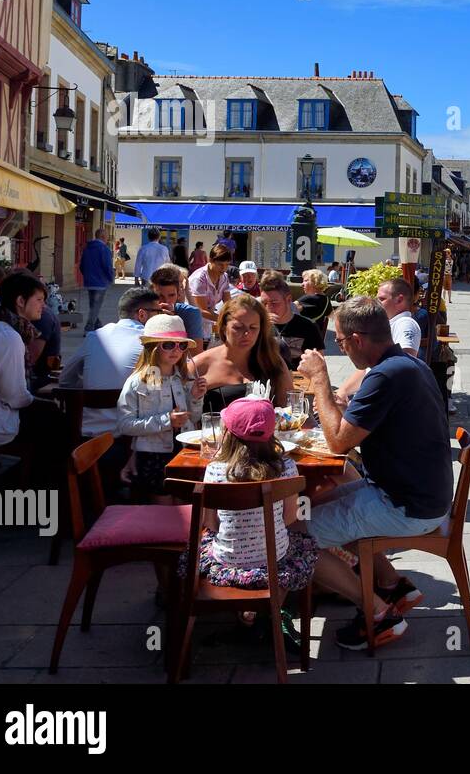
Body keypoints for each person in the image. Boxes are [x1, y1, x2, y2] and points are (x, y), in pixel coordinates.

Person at [296, 297, 453, 649]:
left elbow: (338, 443)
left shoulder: (386, 374)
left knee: (294, 538)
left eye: (340, 340)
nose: (340, 347)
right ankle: (394, 584)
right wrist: (344, 408)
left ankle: (380, 615)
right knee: (318, 507)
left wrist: (320, 380)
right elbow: (361, 427)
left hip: (406, 505)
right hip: (420, 495)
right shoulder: (404, 364)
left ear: (357, 339)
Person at [186, 397, 317, 617]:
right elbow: (290, 516)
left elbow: (209, 524)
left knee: (202, 544)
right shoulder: (286, 467)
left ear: (227, 433)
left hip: (227, 561)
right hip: (274, 560)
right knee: (301, 541)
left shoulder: (215, 470)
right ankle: (260, 611)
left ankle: (244, 611)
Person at [0, 271, 63, 471]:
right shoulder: (7, 336)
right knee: (59, 421)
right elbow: (15, 396)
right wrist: (47, 405)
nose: (44, 305)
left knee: (52, 414)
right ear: (20, 301)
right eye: (39, 299)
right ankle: (38, 488)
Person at [117, 314, 206, 503]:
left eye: (181, 345)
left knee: (185, 504)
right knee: (165, 508)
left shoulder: (181, 378)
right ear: (152, 347)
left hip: (183, 451)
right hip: (153, 455)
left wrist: (195, 398)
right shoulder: (141, 380)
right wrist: (167, 421)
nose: (176, 350)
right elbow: (125, 425)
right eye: (168, 344)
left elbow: (193, 417)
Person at [60, 287, 160, 443]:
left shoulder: (95, 336)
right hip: (129, 437)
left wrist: (91, 385)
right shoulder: (150, 343)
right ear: (142, 314)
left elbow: (65, 380)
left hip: (84, 435)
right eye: (158, 313)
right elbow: (156, 395)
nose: (160, 318)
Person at [192, 294, 292, 411]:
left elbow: (289, 406)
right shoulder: (199, 365)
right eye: (238, 327)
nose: (247, 334)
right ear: (224, 327)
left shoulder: (272, 359)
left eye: (253, 327)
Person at [258, 271, 323, 369]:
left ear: (288, 300)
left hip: (297, 378)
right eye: (264, 303)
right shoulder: (258, 326)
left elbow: (318, 364)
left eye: (274, 303)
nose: (268, 308)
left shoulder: (307, 326)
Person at [148, 264, 206, 354]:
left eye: (171, 295)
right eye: (160, 296)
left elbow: (196, 355)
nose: (166, 300)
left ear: (178, 294)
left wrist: (174, 323)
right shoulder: (144, 310)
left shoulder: (190, 313)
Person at [79, 229, 115, 332]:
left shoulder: (87, 248)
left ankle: (97, 324)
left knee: (93, 304)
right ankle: (89, 327)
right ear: (103, 236)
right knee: (96, 306)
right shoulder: (104, 249)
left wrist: (86, 275)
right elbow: (107, 266)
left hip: (89, 281)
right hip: (100, 282)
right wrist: (110, 278)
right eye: (107, 236)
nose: (108, 238)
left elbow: (82, 265)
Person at [375, 278, 421, 357]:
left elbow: (405, 362)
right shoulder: (394, 323)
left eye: (382, 299)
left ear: (399, 300)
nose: (377, 303)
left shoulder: (405, 324)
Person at [187, 243, 233, 320]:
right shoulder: (199, 279)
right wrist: (225, 321)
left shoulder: (224, 277)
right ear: (210, 260)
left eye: (227, 265)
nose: (224, 268)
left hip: (209, 319)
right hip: (192, 319)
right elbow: (202, 311)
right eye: (220, 264)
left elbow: (228, 304)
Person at [297, 269, 334, 336]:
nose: (302, 284)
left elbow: (286, 310)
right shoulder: (326, 300)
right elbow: (331, 316)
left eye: (305, 281)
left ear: (315, 282)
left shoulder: (308, 298)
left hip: (301, 339)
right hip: (316, 339)